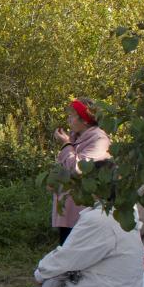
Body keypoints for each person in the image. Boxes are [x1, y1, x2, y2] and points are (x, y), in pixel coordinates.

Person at [15, 160, 143, 287]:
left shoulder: (98, 219)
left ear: (96, 186)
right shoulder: (125, 211)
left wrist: (40, 274)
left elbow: (67, 258)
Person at [51, 97, 110, 245]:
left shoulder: (99, 139)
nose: (69, 119)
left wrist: (65, 144)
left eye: (72, 115)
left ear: (84, 120)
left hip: (83, 212)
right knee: (65, 252)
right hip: (69, 209)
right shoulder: (76, 137)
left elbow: (78, 169)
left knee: (75, 256)